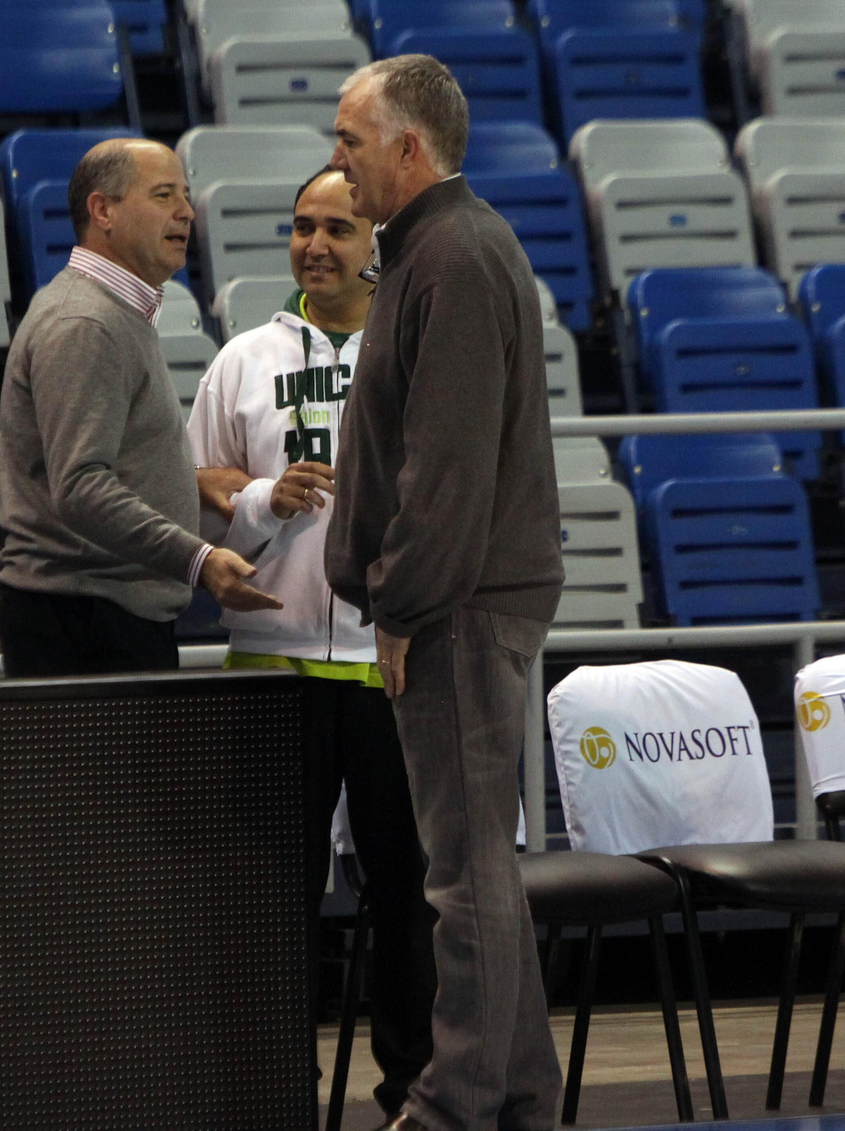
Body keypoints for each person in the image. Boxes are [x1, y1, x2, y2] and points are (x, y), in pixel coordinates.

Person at [323, 55, 565, 1131]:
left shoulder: (452, 259)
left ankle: (456, 1103)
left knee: (462, 880)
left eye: (349, 141)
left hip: (454, 609)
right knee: (478, 869)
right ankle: (512, 1092)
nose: (337, 161)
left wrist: (399, 606)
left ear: (407, 150)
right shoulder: (436, 251)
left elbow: (445, 468)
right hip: (456, 600)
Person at [185, 166, 437, 1119]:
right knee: (271, 903)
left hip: (389, 665)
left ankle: (414, 1089)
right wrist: (260, 495)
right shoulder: (242, 359)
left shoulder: (413, 347)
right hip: (272, 669)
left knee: (407, 896)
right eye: (302, 227)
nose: (316, 244)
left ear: (376, 237)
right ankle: (272, 1088)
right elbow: (197, 478)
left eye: (338, 226)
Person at [0, 137, 279, 678]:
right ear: (103, 210)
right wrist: (198, 560)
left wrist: (185, 481)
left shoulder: (115, 312)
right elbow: (80, 486)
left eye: (187, 195)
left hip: (102, 613)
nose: (186, 212)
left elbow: (97, 455)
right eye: (163, 195)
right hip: (83, 623)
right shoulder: (87, 323)